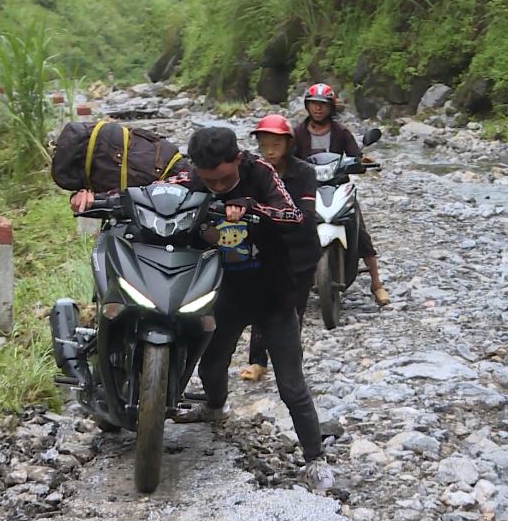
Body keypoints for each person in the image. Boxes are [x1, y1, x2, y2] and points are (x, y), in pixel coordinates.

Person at [166, 126, 333, 489]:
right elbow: (153, 192)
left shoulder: (261, 172)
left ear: (238, 159)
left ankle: (314, 458)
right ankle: (214, 409)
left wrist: (254, 208)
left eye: (225, 179)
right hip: (223, 292)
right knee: (210, 364)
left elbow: (295, 215)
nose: (218, 186)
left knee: (291, 383)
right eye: (209, 181)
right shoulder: (191, 178)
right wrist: (95, 196)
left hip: (275, 292)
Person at [239, 115, 321, 382]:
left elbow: (306, 217)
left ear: (288, 144)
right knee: (260, 303)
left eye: (276, 143)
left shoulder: (304, 172)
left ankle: (289, 365)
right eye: (265, 144)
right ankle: (258, 361)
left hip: (300, 252)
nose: (270, 150)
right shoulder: (254, 172)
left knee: (293, 308)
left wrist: (267, 217)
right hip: (267, 249)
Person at [293, 83, 390, 307]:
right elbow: (288, 157)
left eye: (322, 105)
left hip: (338, 187)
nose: (318, 109)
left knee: (361, 231)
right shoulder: (297, 133)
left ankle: (376, 284)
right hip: (308, 189)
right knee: (289, 228)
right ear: (307, 106)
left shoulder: (341, 132)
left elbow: (355, 155)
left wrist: (361, 161)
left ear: (331, 108)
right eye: (314, 104)